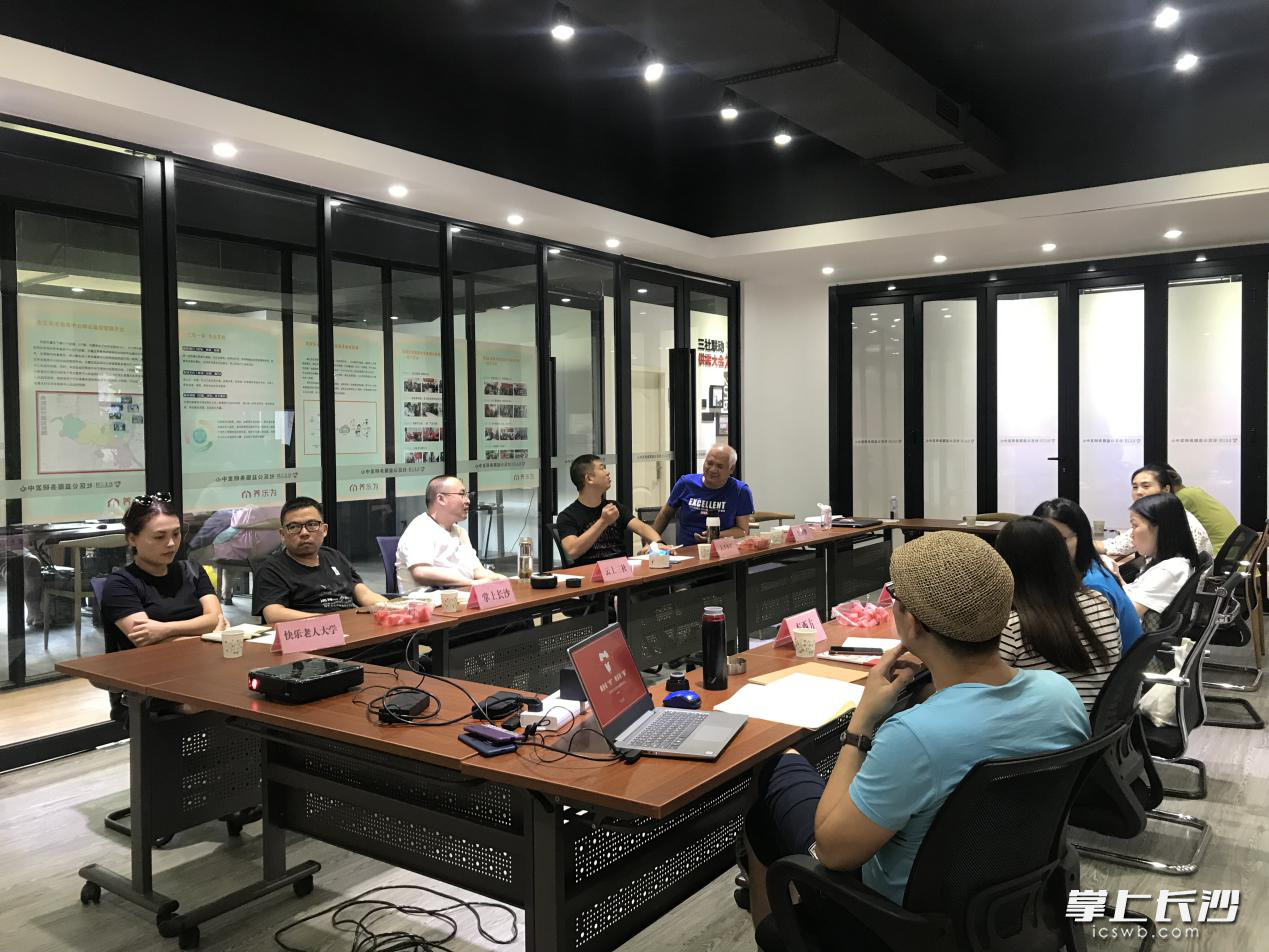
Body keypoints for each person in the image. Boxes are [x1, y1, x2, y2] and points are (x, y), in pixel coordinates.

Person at [742, 532, 1089, 942]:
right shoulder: (1061, 695)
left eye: (895, 596)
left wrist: (861, 725)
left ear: (911, 622)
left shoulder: (915, 737)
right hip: (1011, 904)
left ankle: (791, 926)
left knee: (775, 776)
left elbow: (833, 852)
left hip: (898, 925)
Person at [995, 517, 1120, 712]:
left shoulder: (1011, 626)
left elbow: (983, 694)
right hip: (1102, 726)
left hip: (1049, 728)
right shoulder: (1098, 602)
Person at [99, 491, 226, 654]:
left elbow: (215, 618)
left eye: (176, 534)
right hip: (145, 666)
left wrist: (165, 629)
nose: (171, 543)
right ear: (132, 539)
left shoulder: (192, 570)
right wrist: (210, 636)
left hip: (198, 660)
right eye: (159, 537)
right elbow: (146, 640)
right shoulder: (120, 584)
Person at [1034, 498, 1143, 652]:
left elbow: (1101, 656)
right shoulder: (1088, 566)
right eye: (1041, 538)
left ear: (1081, 537)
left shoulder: (1091, 586)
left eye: (1060, 539)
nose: (1049, 546)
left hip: (1119, 664)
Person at [252, 497, 386, 623]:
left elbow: (364, 594)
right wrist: (329, 622)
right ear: (282, 534)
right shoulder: (271, 569)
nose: (304, 533)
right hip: (310, 634)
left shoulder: (334, 556)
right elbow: (274, 614)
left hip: (349, 627)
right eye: (294, 527)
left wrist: (391, 607)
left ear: (324, 530)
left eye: (312, 524)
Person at [396, 475, 506, 593]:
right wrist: (470, 583)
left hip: (461, 595)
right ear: (441, 499)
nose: (468, 501)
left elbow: (476, 570)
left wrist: (500, 579)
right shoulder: (420, 528)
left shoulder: (460, 532)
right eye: (462, 494)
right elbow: (421, 572)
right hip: (428, 599)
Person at [556, 455, 661, 566]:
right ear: (589, 479)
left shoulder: (614, 507)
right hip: (590, 573)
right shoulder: (568, 516)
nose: (607, 472)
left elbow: (641, 527)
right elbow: (572, 551)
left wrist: (658, 543)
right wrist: (603, 521)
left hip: (622, 570)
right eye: (602, 468)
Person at [1120, 492, 1200, 629]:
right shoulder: (1170, 562)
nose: (1131, 534)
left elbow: (1124, 616)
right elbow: (1135, 593)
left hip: (1130, 638)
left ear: (1160, 528)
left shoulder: (1168, 571)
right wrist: (1116, 576)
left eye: (1135, 526)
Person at [1098, 463, 1212, 558]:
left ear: (1166, 490)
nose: (1138, 492)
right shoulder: (1164, 514)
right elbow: (1115, 545)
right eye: (1135, 487)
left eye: (1146, 486)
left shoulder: (1171, 521)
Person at [651, 444, 754, 545]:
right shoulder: (685, 483)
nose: (713, 469)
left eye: (719, 466)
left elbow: (743, 530)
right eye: (709, 463)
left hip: (722, 550)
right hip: (686, 550)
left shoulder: (741, 491)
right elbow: (665, 514)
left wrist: (715, 535)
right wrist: (652, 543)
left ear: (731, 469)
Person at [1167, 465, 1239, 555]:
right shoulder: (1193, 491)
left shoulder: (1182, 497)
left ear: (1166, 487)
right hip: (1233, 549)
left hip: (1219, 553)